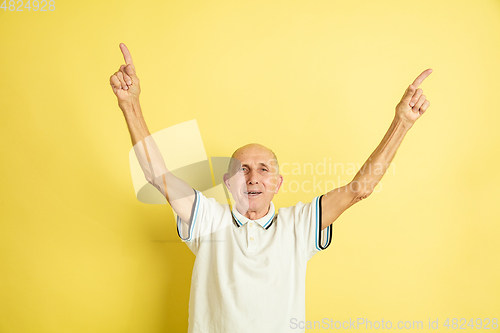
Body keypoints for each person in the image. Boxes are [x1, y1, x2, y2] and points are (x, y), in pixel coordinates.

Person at [109, 43, 432, 333]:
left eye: (264, 170)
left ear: (277, 184)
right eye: (242, 170)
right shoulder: (206, 218)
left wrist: (401, 122)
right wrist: (130, 104)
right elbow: (156, 174)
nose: (252, 178)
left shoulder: (299, 224)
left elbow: (359, 188)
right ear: (227, 183)